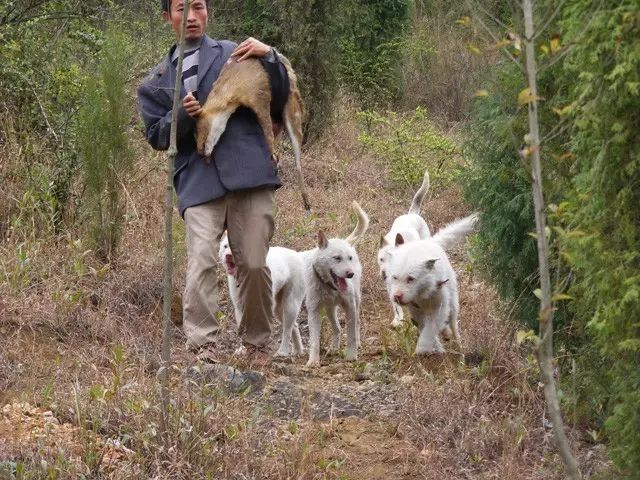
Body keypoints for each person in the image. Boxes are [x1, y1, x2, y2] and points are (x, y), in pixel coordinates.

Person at [138, 0, 289, 366]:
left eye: (198, 7)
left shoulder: (233, 53)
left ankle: (256, 345)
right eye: (180, 9)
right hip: (197, 179)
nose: (191, 17)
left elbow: (278, 93)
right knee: (202, 261)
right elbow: (158, 137)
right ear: (167, 18)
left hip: (248, 172)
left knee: (253, 261)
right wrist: (182, 115)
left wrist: (271, 56)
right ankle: (202, 346)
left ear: (208, 12)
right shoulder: (155, 82)